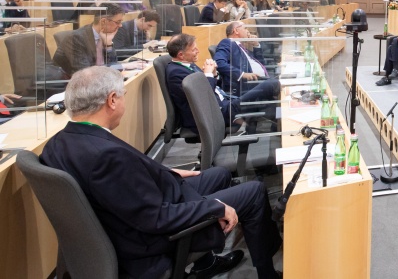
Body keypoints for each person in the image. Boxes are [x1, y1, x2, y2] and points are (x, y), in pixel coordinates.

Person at [40, 66, 281, 279]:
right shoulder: (107, 157)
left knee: (219, 174)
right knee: (254, 192)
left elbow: (119, 187)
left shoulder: (58, 144)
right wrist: (216, 207)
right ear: (112, 100)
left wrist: (161, 171)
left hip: (139, 208)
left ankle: (207, 262)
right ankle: (267, 271)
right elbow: (155, 218)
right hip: (153, 239)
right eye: (123, 96)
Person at [214, 21, 281, 101]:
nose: (248, 31)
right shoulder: (227, 42)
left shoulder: (242, 47)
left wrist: (256, 45)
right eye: (245, 28)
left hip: (260, 80)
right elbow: (218, 62)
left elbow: (261, 64)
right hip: (247, 86)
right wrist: (242, 74)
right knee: (278, 84)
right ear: (236, 31)